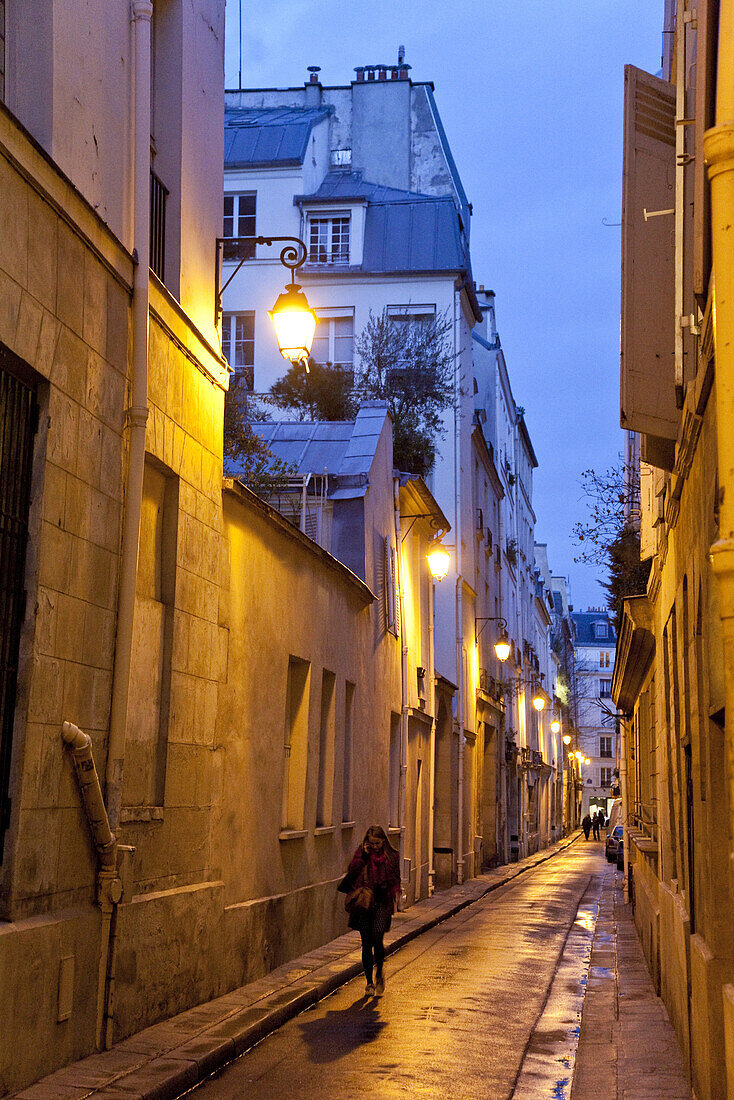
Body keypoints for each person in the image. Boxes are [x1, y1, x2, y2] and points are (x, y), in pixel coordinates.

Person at [340, 825, 401, 996]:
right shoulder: (362, 854)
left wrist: (396, 892)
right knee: (366, 943)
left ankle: (379, 972)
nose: (375, 846)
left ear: (383, 841)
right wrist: (364, 856)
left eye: (377, 843)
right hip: (365, 902)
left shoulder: (392, 856)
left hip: (382, 903)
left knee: (377, 936)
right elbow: (352, 872)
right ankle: (369, 983)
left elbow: (396, 877)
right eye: (371, 843)